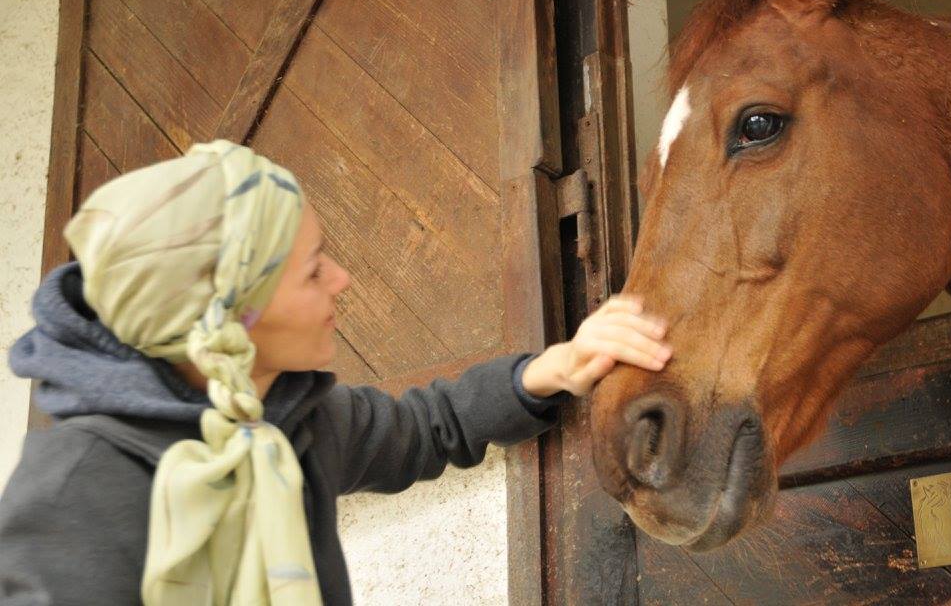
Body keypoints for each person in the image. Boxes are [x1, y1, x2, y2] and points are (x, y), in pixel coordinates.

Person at [0, 141, 671, 606]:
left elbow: (424, 427)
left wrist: (547, 372)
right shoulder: (77, 490)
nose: (342, 281)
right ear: (231, 317)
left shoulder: (290, 419)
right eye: (314, 269)